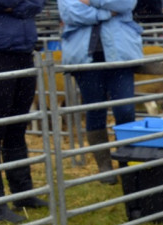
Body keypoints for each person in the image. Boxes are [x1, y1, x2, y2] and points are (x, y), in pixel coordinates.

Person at [0, 0, 48, 223]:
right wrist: (21, 6)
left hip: (23, 50)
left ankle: (23, 194)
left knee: (17, 127)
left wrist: (18, 7)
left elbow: (38, 3)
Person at [58, 0, 144, 186]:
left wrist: (92, 2)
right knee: (95, 110)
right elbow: (70, 12)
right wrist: (105, 12)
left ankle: (126, 161)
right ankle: (104, 167)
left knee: (125, 110)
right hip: (85, 56)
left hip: (121, 53)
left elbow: (125, 4)